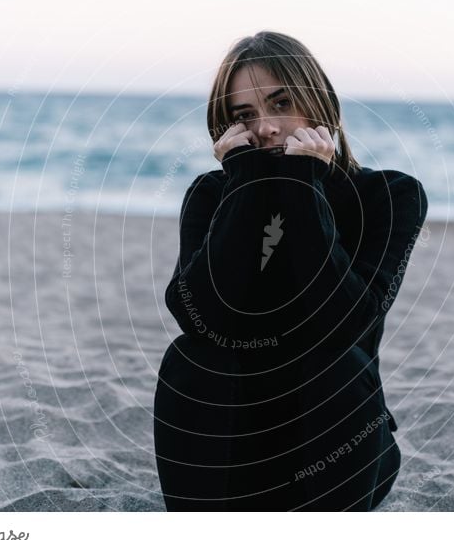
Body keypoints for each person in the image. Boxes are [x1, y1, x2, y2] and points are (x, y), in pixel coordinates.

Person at [154, 31, 427, 511]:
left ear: (318, 105)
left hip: (338, 443)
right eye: (245, 116)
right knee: (188, 359)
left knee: (339, 365)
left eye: (281, 104)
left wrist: (305, 186)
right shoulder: (211, 194)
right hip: (237, 455)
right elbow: (197, 318)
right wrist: (247, 186)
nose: (266, 129)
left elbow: (345, 325)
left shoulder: (390, 195)